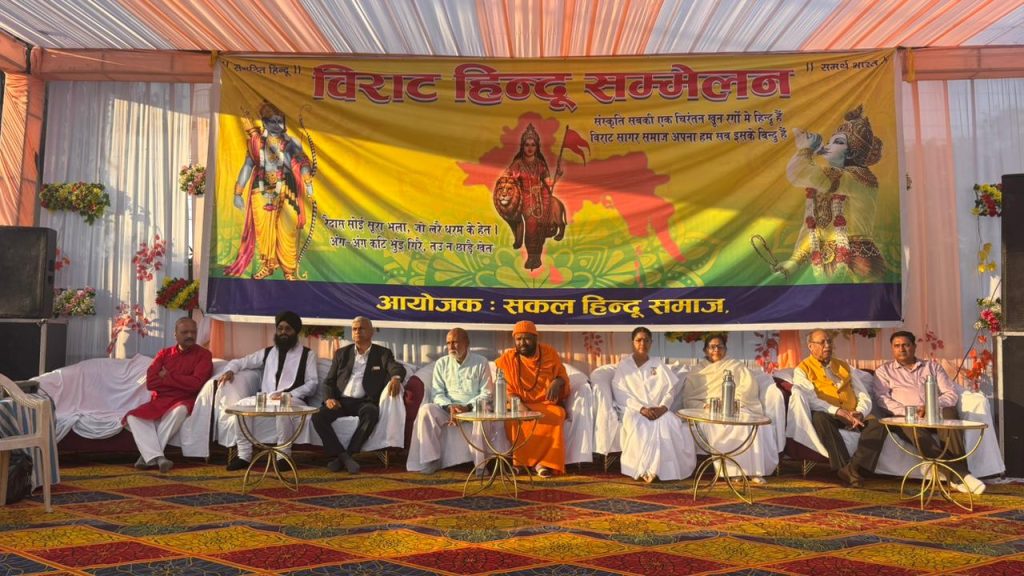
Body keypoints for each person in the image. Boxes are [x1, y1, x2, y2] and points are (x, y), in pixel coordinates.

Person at [775, 105, 886, 282]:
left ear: (853, 152)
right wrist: (794, 262)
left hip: (858, 265)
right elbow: (815, 230)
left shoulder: (858, 178)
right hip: (827, 264)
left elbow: (799, 173)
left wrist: (806, 149)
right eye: (830, 141)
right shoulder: (832, 184)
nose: (828, 146)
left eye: (838, 142)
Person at [873, 331, 985, 494]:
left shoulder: (932, 367)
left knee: (949, 414)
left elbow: (950, 394)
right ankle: (961, 476)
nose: (901, 349)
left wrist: (931, 406)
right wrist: (910, 411)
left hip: (934, 413)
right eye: (897, 346)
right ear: (892, 348)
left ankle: (957, 477)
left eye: (906, 345)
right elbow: (882, 399)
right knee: (912, 427)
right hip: (904, 417)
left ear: (914, 346)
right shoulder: (884, 371)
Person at [218, 311, 319, 471]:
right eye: (280, 328)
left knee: (283, 408)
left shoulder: (308, 354)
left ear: (296, 332)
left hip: (293, 399)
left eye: (288, 329)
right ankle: (244, 455)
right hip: (267, 399)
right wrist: (230, 370)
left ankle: (283, 456)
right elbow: (242, 362)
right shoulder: (268, 352)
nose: (283, 332)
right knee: (240, 408)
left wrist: (290, 394)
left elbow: (312, 383)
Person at [225, 100, 314, 281]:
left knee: (287, 231)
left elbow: (304, 162)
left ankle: (289, 271)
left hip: (287, 190)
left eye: (279, 120)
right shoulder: (256, 144)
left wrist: (307, 181)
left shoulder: (292, 142)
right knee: (264, 234)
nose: (276, 124)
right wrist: (238, 192)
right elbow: (247, 166)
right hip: (261, 191)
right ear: (265, 123)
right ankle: (268, 266)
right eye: (272, 121)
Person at [793, 329, 887, 487]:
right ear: (811, 346)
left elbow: (863, 394)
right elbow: (810, 399)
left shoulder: (844, 366)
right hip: (830, 414)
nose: (827, 345)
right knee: (819, 418)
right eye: (822, 342)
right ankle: (844, 466)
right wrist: (837, 411)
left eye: (829, 341)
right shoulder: (802, 369)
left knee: (878, 425)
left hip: (853, 413)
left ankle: (853, 468)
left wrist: (860, 412)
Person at [313, 316, 406, 474]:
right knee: (317, 417)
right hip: (341, 402)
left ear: (371, 332)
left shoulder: (382, 353)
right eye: (354, 329)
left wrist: (396, 378)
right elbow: (329, 381)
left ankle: (347, 455)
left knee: (371, 413)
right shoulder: (342, 353)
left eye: (361, 328)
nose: (357, 332)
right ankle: (343, 456)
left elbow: (396, 368)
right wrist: (329, 398)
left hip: (365, 402)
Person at [683, 333, 778, 483]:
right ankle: (733, 472)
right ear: (705, 350)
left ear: (725, 349)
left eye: (720, 346)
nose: (716, 350)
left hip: (735, 407)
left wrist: (732, 403)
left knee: (746, 423)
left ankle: (754, 472)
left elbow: (748, 389)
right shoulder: (697, 371)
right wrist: (706, 406)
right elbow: (689, 398)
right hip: (709, 411)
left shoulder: (736, 366)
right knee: (717, 425)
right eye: (712, 347)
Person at [407, 328, 503, 475]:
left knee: (482, 413)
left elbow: (486, 393)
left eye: (455, 342)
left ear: (466, 343)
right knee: (426, 410)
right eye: (448, 343)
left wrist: (467, 407)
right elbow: (438, 393)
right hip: (449, 409)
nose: (451, 346)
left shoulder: (480, 362)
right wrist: (450, 407)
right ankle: (432, 460)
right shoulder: (441, 363)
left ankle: (480, 466)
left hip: (473, 408)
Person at [125, 317, 213, 473]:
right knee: (133, 417)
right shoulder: (164, 354)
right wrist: (181, 381)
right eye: (185, 332)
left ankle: (146, 457)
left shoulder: (204, 355)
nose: (190, 335)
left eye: (193, 332)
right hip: (161, 400)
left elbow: (196, 384)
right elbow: (151, 383)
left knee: (180, 411)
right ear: (175, 334)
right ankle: (159, 458)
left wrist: (167, 377)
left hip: (184, 400)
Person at [611, 327, 694, 483]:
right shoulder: (624, 366)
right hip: (634, 410)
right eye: (638, 340)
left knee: (668, 421)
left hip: (658, 410)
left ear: (651, 343)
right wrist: (641, 409)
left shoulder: (657, 364)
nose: (642, 343)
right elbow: (620, 393)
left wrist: (663, 408)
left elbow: (670, 390)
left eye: (646, 340)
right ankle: (643, 469)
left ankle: (662, 471)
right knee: (639, 423)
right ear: (632, 342)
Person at [494, 320, 570, 477]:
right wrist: (519, 405)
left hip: (544, 404)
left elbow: (562, 375)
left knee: (556, 415)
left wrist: (557, 382)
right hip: (518, 403)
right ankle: (520, 463)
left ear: (535, 338)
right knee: (515, 418)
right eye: (518, 339)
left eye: (527, 338)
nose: (522, 343)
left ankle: (545, 463)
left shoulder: (549, 353)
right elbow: (507, 390)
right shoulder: (508, 359)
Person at [500, 123, 565, 270]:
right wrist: (511, 178)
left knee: (541, 228)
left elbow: (548, 182)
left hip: (541, 197)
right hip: (525, 199)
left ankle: (537, 258)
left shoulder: (540, 164)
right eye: (527, 145)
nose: (530, 148)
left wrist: (557, 176)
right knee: (531, 228)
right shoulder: (517, 164)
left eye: (533, 145)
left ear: (537, 147)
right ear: (522, 146)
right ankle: (531, 257)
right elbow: (506, 178)